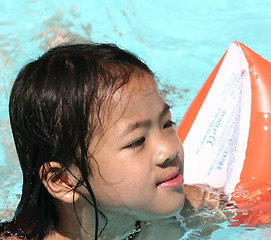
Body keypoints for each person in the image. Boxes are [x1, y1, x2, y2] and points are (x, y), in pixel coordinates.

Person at [0, 43, 222, 240]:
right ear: (64, 181)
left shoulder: (193, 208)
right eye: (137, 142)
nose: (169, 150)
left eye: (167, 123)